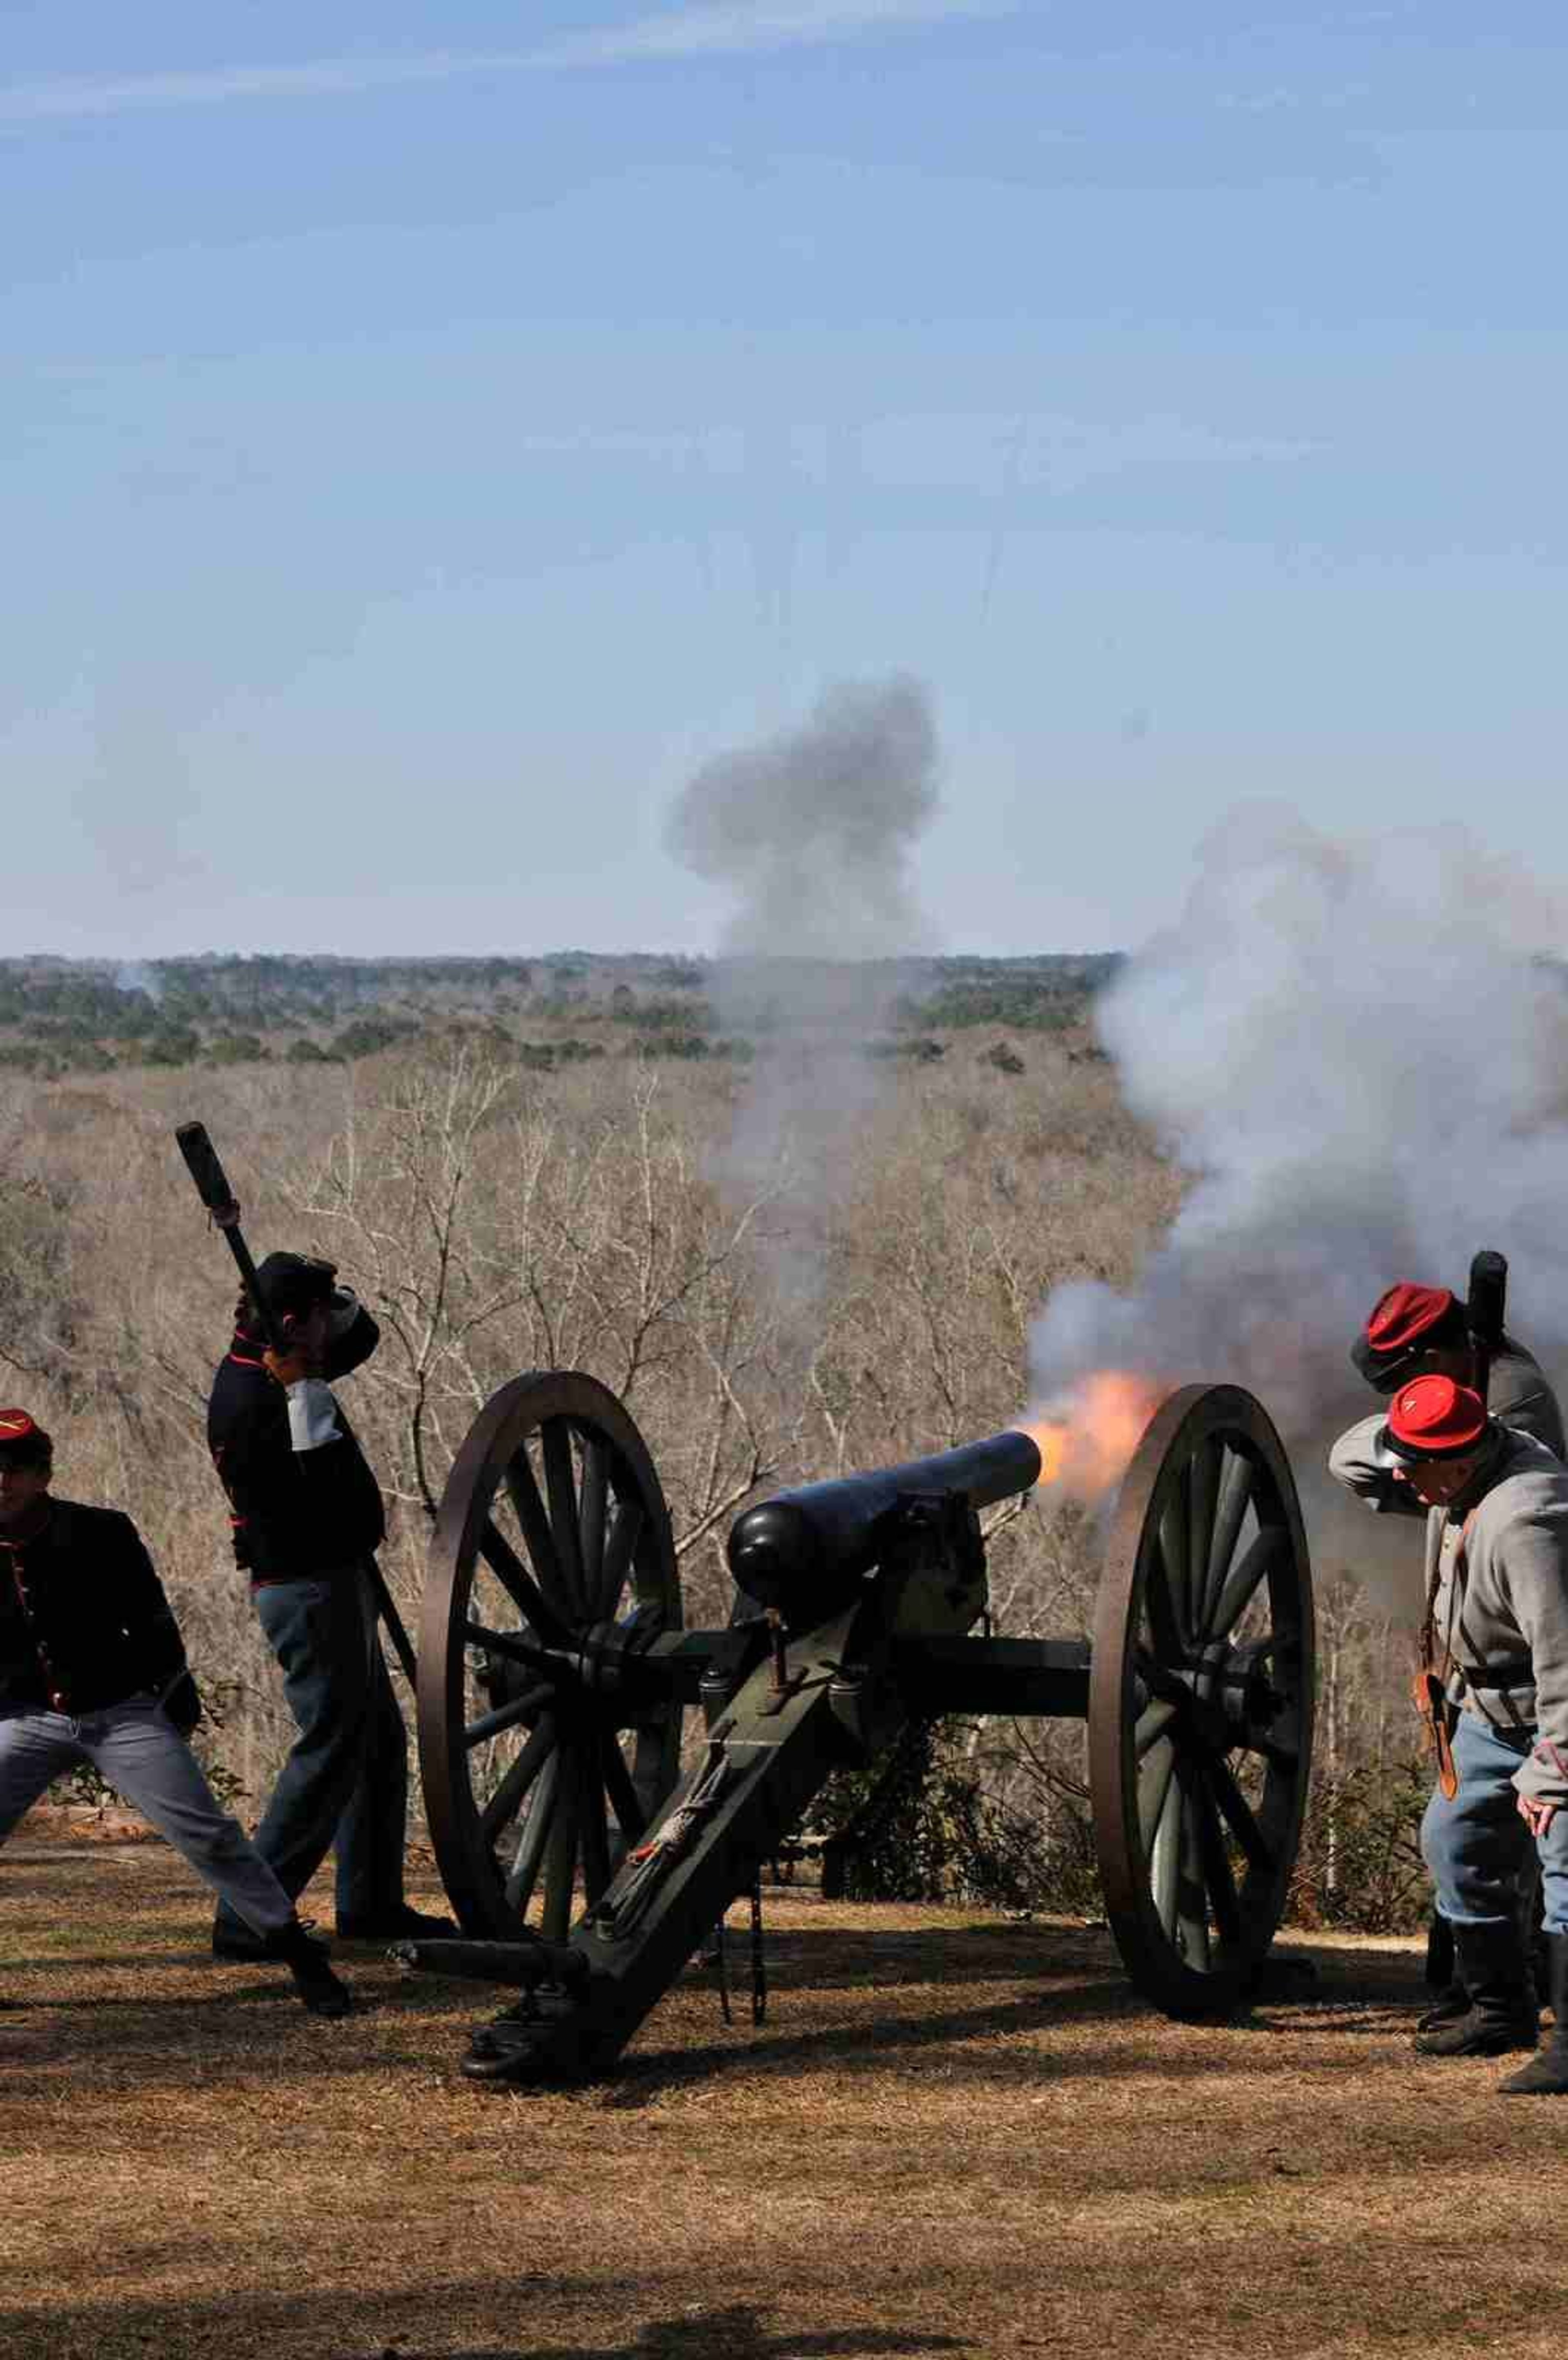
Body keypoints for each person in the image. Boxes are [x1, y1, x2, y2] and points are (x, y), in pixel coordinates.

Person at [0, 1408, 352, 2016]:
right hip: (26, 1718)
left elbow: (152, 1618)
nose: (0, 1482)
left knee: (209, 1836)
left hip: (119, 1713)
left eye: (12, 1469)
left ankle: (299, 1952)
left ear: (41, 1475)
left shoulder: (102, 1532)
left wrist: (174, 1692)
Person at [205, 1251, 453, 1955]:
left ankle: (371, 1904)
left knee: (377, 1740)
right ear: (290, 1323)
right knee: (329, 1748)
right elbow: (331, 1495)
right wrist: (305, 1388)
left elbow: (362, 1337)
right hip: (309, 1586)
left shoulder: (270, 1365)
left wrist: (303, 1362)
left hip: (328, 1580)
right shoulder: (258, 1398)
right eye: (319, 1317)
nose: (330, 1328)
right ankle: (250, 1915)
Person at [1329, 1373, 1568, 2091]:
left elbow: (1565, 1655)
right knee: (1454, 1839)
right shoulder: (1457, 1472)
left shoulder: (1529, 1522)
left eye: (1415, 1464)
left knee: (1564, 1874)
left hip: (1552, 1716)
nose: (1398, 1475)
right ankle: (1500, 2011)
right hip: (1489, 1715)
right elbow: (1352, 1458)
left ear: (1463, 1464)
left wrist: (1554, 1769)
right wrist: (1422, 1422)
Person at [1350, 1280, 1566, 1461]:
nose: (1408, 1392)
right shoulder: (1470, 1356)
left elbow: (1463, 1474)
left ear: (1434, 1360)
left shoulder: (1506, 1391)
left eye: (1407, 1380)